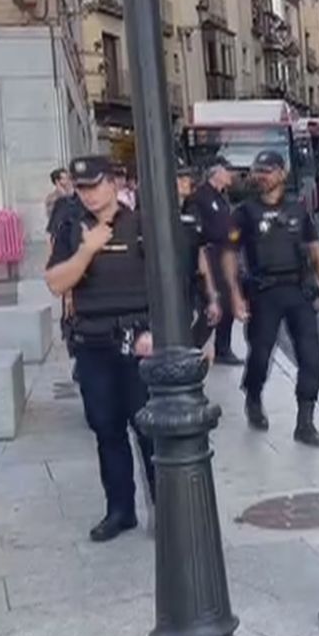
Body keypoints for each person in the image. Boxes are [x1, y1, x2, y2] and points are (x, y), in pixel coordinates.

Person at [44, 156, 155, 542]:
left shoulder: (141, 225)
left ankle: (164, 508)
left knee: (148, 429)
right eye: (81, 188)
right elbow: (57, 283)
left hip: (137, 341)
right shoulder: (72, 229)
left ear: (113, 182)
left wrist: (154, 333)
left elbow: (167, 284)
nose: (88, 194)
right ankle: (120, 510)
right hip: (92, 344)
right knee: (106, 428)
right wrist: (88, 250)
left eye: (94, 185)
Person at [224, 150, 319, 448]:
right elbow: (230, 255)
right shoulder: (244, 213)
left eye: (268, 170)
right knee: (260, 354)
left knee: (311, 356)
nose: (261, 176)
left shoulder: (299, 209)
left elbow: (315, 247)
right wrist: (235, 295)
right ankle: (254, 396)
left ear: (282, 174)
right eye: (258, 170)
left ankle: (305, 422)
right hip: (263, 292)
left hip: (299, 291)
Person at [195, 157, 243, 366]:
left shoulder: (222, 197)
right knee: (215, 300)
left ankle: (224, 347)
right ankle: (197, 343)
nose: (230, 175)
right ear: (216, 173)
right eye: (226, 171)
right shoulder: (202, 196)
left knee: (229, 300)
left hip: (226, 253)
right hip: (211, 253)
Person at [177, 163, 221, 352]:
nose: (188, 182)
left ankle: (191, 350)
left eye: (187, 178)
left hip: (192, 279)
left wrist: (212, 294)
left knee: (208, 318)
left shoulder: (193, 210)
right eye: (182, 179)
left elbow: (201, 253)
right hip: (172, 283)